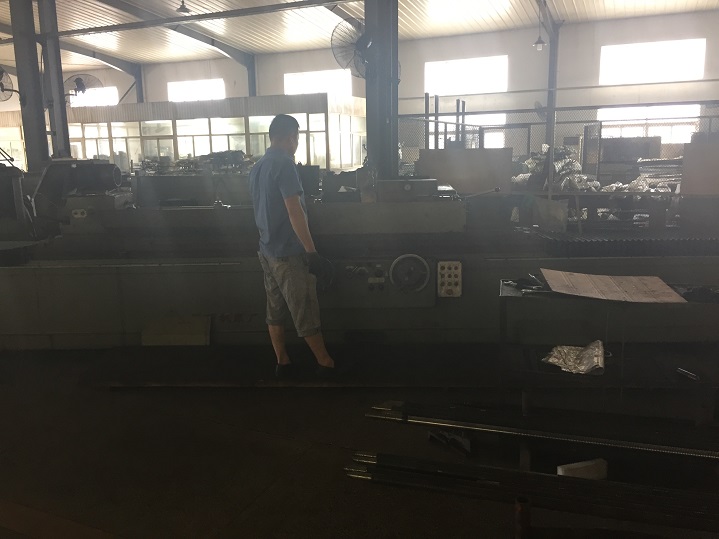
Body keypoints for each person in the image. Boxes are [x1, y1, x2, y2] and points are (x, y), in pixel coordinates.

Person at [249, 114, 335, 379]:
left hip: (267, 250)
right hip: (289, 252)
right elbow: (294, 210)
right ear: (291, 137)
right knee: (304, 309)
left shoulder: (258, 166)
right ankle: (325, 364)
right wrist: (311, 252)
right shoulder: (285, 164)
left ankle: (282, 362)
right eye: (296, 138)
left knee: (275, 310)